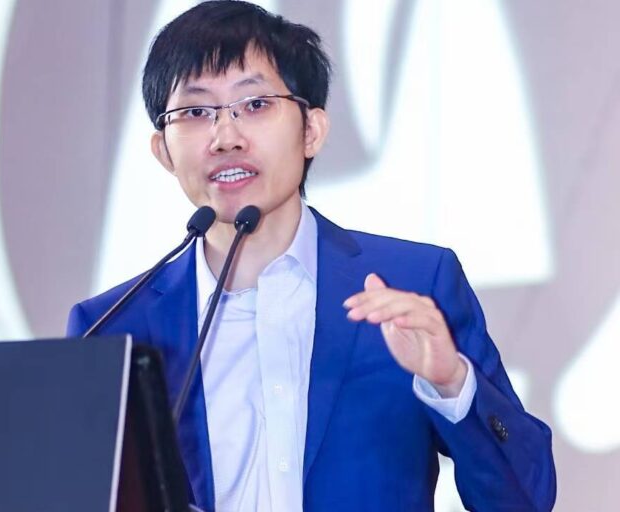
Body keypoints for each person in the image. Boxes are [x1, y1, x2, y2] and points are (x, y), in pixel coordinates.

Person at [66, 1, 556, 511]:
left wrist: (452, 382)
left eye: (254, 104)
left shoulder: (413, 284)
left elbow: (524, 499)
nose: (225, 137)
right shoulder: (112, 326)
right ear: (163, 151)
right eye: (195, 112)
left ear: (311, 131)